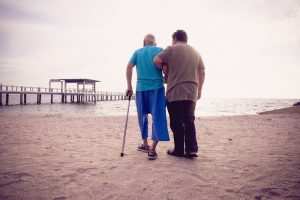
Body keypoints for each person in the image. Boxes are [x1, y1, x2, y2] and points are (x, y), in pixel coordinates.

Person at [153, 30, 205, 158]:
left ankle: (179, 150)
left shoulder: (171, 49)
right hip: (192, 91)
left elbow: (156, 60)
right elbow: (202, 71)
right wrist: (200, 89)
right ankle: (191, 150)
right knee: (189, 120)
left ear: (175, 39)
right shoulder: (195, 52)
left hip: (175, 91)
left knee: (176, 122)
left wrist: (167, 72)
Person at [126, 34, 170, 160]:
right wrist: (166, 77)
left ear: (144, 42)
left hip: (141, 89)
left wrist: (129, 86)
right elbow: (165, 66)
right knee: (158, 117)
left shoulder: (137, 52)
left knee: (142, 117)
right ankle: (152, 149)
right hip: (157, 88)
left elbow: (129, 66)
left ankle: (145, 144)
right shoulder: (159, 50)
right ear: (155, 44)